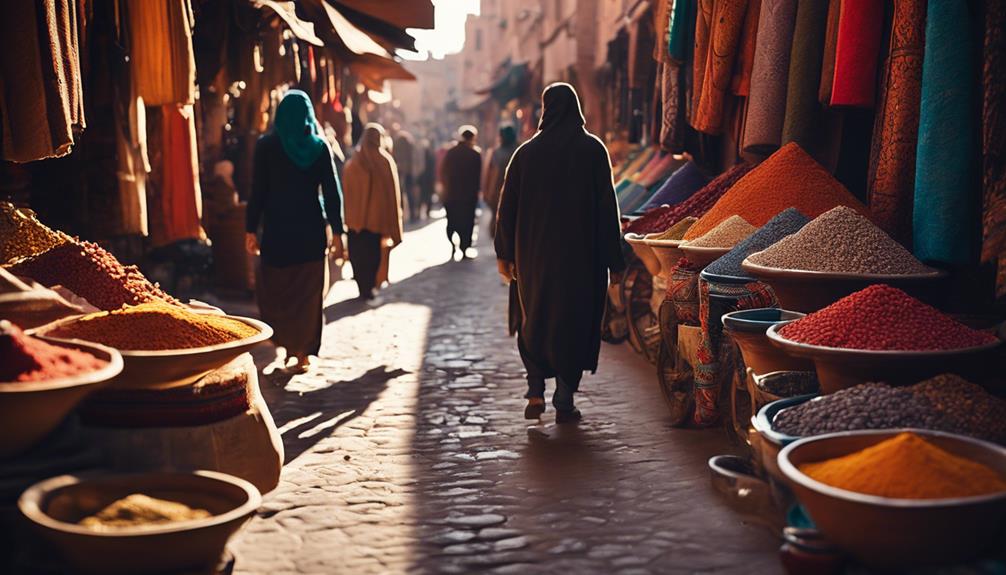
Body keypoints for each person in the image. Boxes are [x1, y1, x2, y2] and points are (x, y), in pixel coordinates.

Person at [494, 83, 626, 424]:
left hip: (533, 258)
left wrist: (504, 254)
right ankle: (564, 398)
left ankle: (535, 389)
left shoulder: (525, 154)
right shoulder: (593, 150)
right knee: (575, 320)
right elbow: (606, 208)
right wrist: (614, 257)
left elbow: (506, 209)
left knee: (534, 317)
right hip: (581, 260)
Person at [246, 90, 344, 373]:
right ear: (307, 115)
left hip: (277, 232)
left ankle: (288, 343)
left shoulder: (266, 146)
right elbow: (332, 193)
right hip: (311, 231)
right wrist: (338, 232)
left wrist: (251, 228)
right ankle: (302, 353)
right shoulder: (319, 147)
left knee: (276, 290)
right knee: (309, 295)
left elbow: (258, 192)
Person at [341, 123, 404, 302]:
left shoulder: (353, 162)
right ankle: (368, 286)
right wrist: (395, 227)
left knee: (358, 256)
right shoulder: (384, 161)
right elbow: (393, 196)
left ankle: (363, 286)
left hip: (355, 223)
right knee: (372, 257)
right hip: (376, 223)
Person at [440, 126, 482, 259]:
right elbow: (478, 177)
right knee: (467, 223)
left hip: (451, 194)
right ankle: (464, 249)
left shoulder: (451, 152)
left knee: (452, 222)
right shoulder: (475, 154)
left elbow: (443, 172)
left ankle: (453, 245)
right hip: (468, 196)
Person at [482, 123, 519, 238]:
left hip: (497, 192)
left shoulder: (495, 153)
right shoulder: (520, 150)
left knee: (498, 219)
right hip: (516, 192)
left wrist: (486, 192)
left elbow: (488, 174)